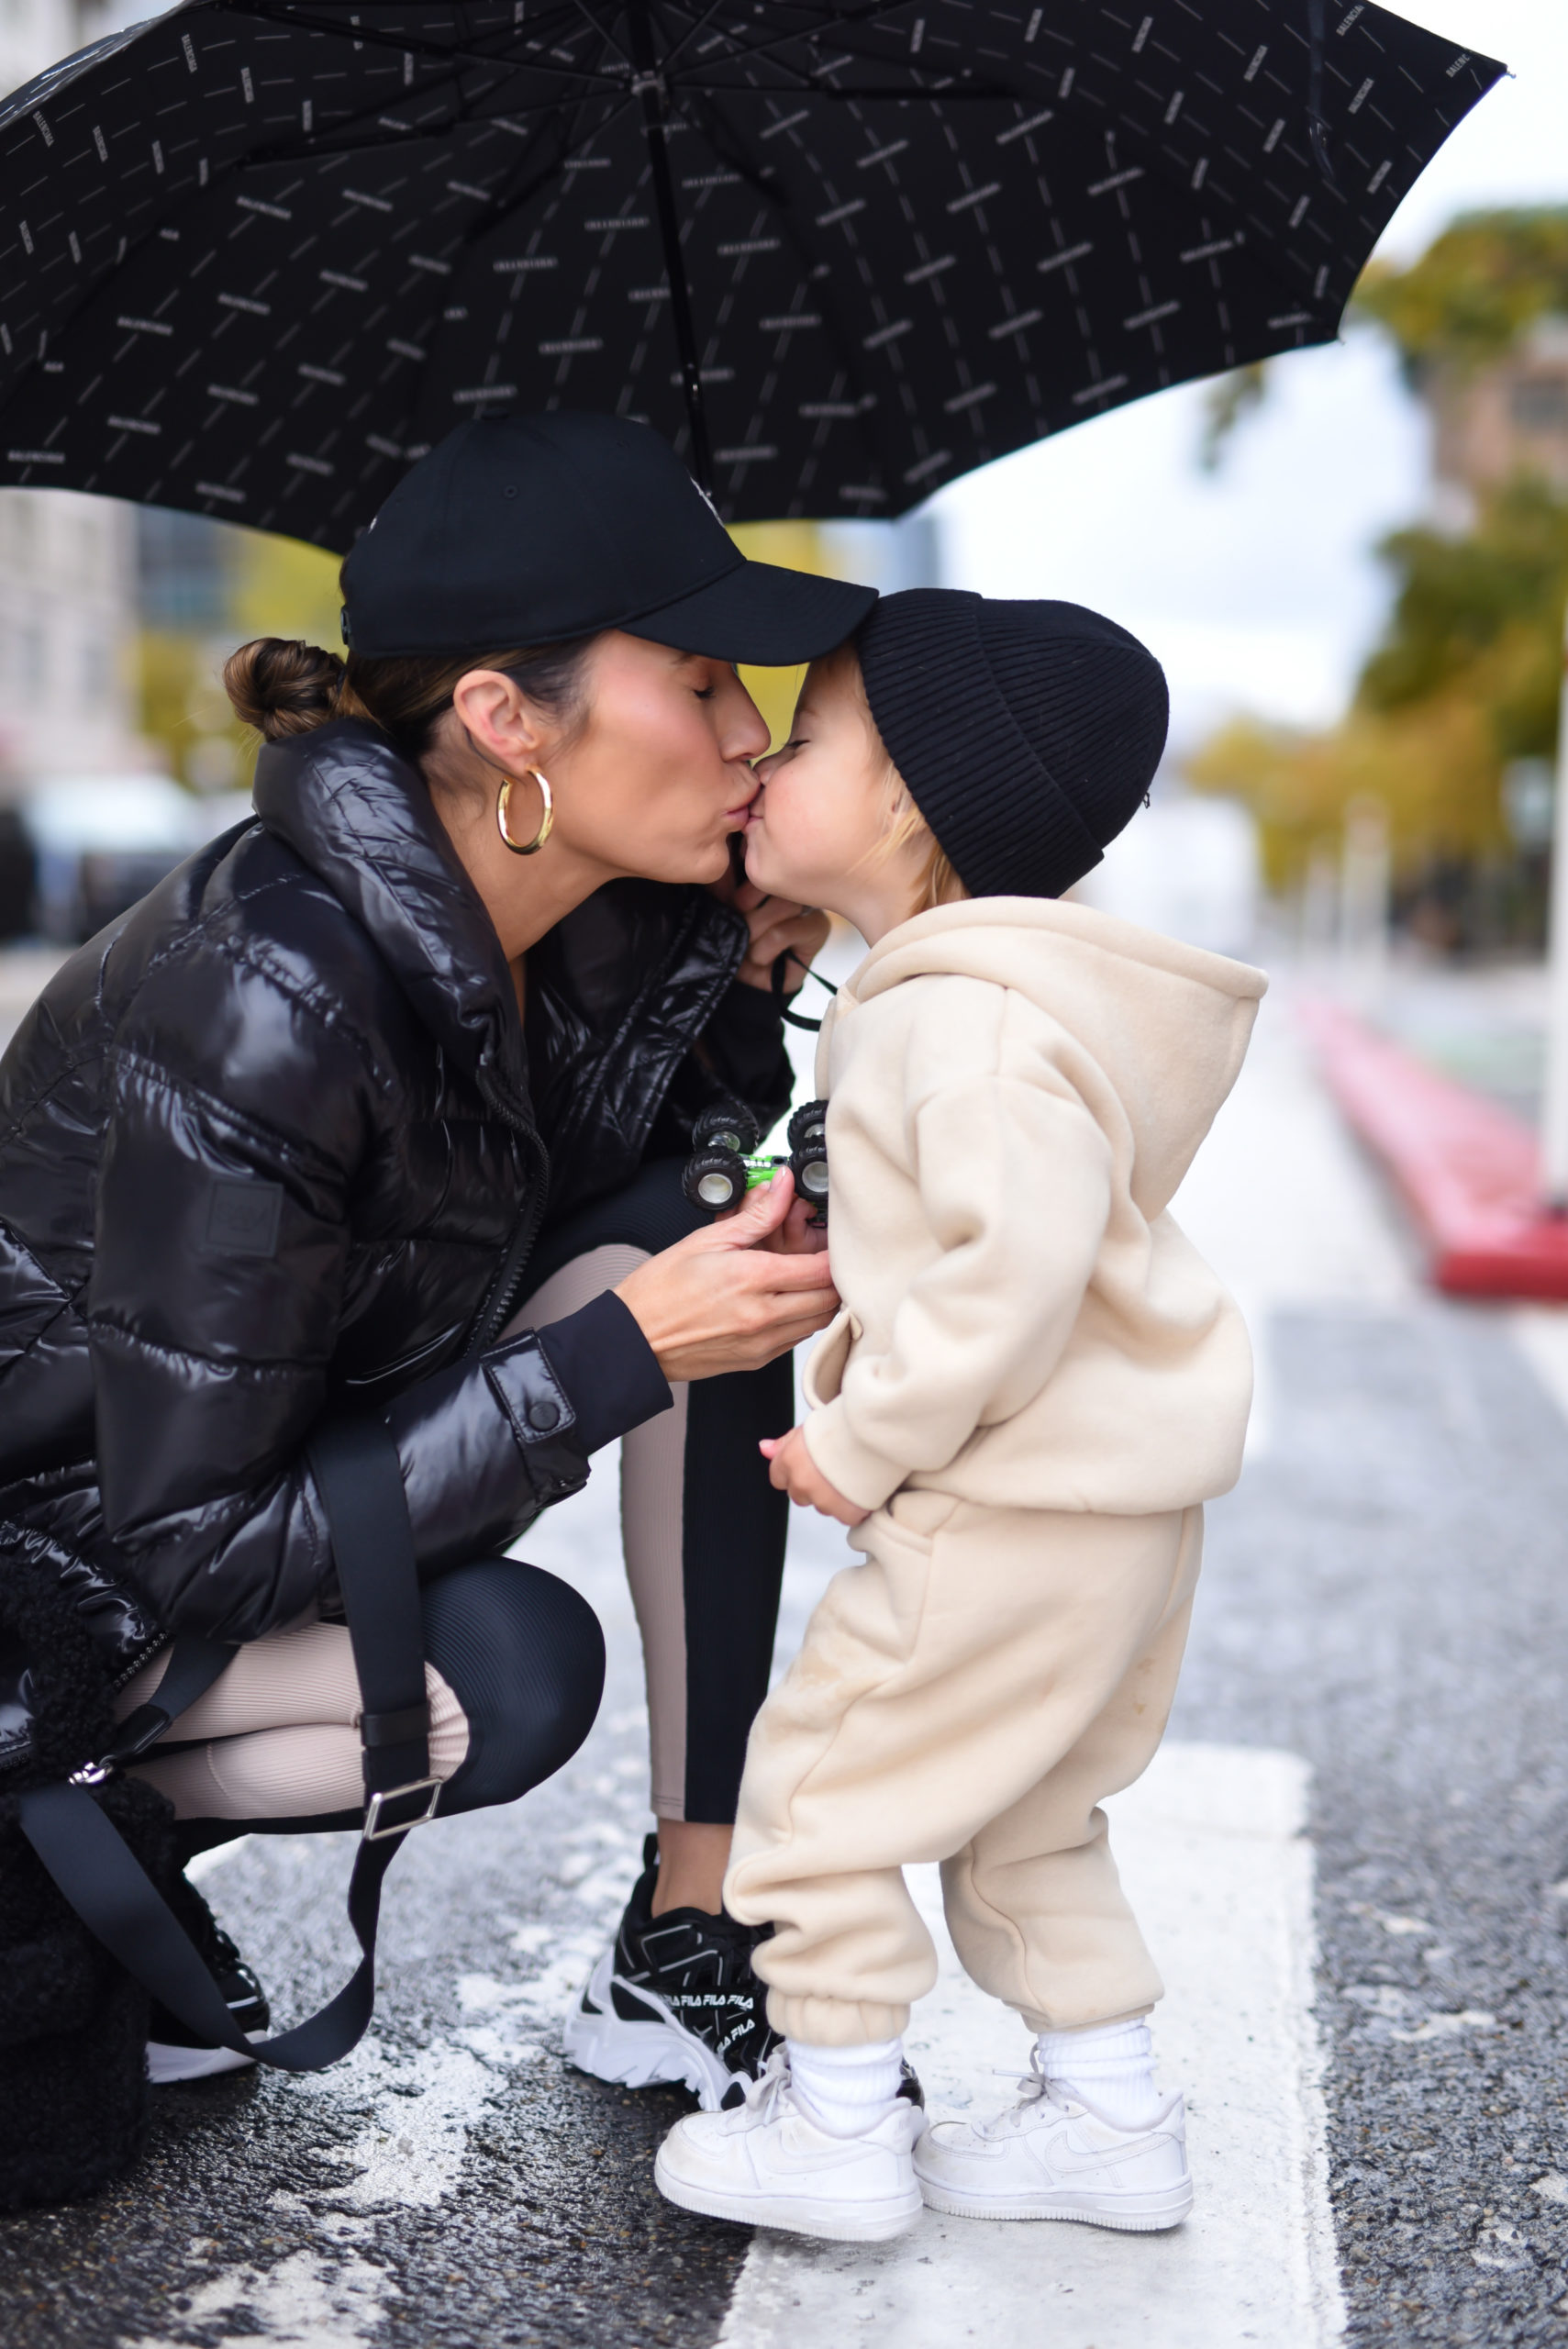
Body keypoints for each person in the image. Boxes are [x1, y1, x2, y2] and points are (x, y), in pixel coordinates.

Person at [0, 412, 862, 2099]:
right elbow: (196, 1540)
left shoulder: (585, 915)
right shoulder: (265, 995)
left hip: (273, 1469)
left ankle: (692, 1924)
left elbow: (603, 1196)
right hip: (64, 1569)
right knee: (515, 1673)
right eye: (698, 682)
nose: (749, 735)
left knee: (712, 1248)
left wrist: (740, 992)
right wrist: (615, 1356)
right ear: (502, 719)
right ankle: (62, 1845)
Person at [653, 591, 1268, 2243]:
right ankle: (1109, 2114)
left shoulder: (960, 1021)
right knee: (1024, 1816)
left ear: (913, 803)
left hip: (1009, 1508)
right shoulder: (981, 1000)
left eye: (803, 738)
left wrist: (857, 1441)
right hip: (1108, 1508)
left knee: (819, 1786)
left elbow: (1010, 1272)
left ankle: (837, 2118)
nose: (760, 763)